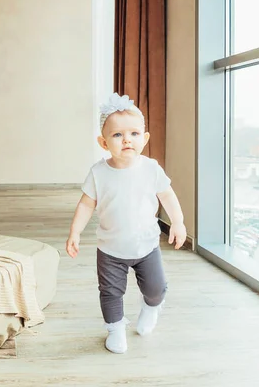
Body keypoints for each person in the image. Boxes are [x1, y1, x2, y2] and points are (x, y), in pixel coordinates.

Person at [65, 93, 187, 354]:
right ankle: (115, 329)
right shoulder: (99, 172)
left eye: (133, 133)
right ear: (104, 142)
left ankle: (152, 307)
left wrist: (177, 222)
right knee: (110, 293)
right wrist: (75, 231)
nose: (126, 140)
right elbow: (86, 204)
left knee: (156, 288)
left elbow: (167, 195)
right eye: (117, 135)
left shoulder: (151, 168)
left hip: (147, 247)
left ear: (144, 138)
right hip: (110, 249)